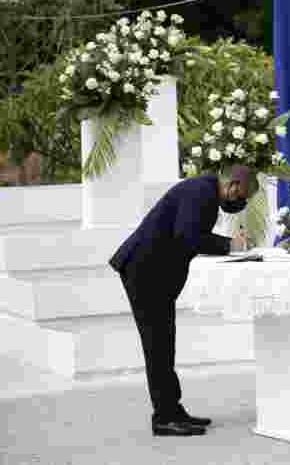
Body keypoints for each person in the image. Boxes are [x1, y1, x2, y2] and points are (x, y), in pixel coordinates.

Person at [109, 165, 255, 436]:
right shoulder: (201, 191)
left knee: (164, 342)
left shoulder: (205, 190)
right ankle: (164, 417)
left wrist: (228, 245)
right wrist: (230, 245)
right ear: (233, 185)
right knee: (157, 346)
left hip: (152, 273)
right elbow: (187, 237)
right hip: (143, 270)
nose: (239, 203)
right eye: (240, 197)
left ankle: (173, 410)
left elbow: (187, 236)